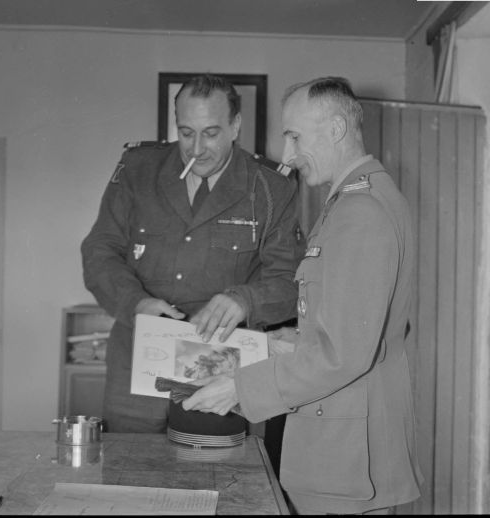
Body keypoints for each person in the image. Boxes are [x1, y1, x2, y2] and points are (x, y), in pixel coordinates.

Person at [182, 76, 424, 514]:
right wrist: (281, 343)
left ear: (334, 129)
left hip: (346, 458)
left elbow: (343, 355)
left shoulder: (360, 212)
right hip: (345, 449)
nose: (288, 157)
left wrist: (238, 387)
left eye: (294, 136)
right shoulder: (356, 202)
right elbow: (349, 331)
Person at [81, 74, 302, 433]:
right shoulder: (138, 170)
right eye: (186, 132)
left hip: (223, 375)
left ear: (235, 126)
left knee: (220, 478)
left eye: (211, 133)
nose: (196, 149)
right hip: (136, 368)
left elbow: (291, 281)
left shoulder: (270, 187)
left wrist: (246, 300)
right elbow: (99, 250)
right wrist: (135, 302)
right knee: (130, 479)